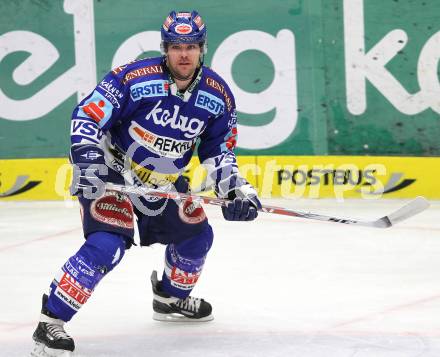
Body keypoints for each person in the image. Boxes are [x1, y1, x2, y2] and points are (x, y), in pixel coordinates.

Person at [30, 10, 261, 357]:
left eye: (192, 47)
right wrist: (89, 158)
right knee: (107, 245)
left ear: (203, 48)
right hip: (111, 172)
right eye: (176, 47)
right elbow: (87, 116)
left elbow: (219, 151)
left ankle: (169, 298)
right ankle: (51, 323)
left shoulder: (218, 96)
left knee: (198, 236)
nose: (184, 54)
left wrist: (234, 189)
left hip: (161, 182)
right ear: (165, 48)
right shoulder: (132, 78)